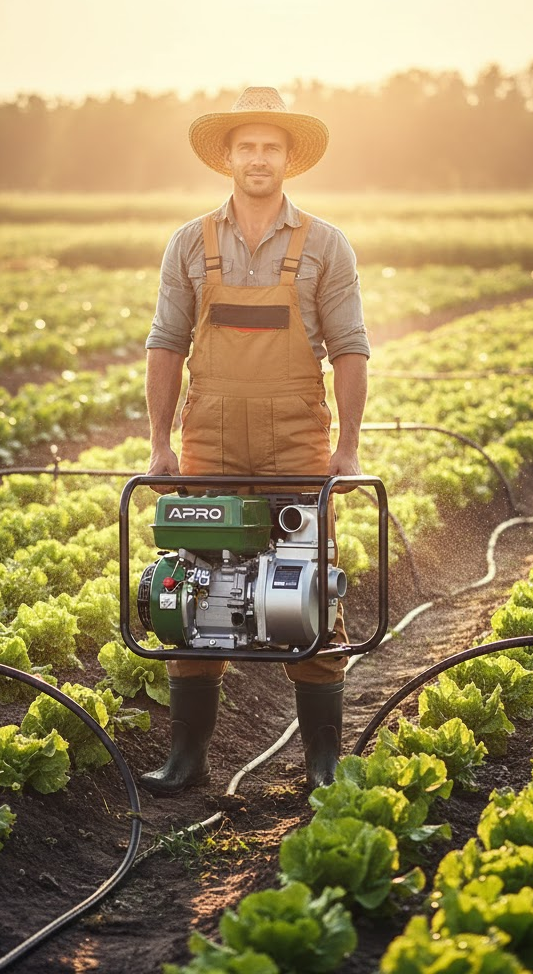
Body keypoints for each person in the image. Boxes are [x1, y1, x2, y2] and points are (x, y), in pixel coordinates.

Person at [141, 86, 370, 795]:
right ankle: (187, 760)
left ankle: (322, 764)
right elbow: (165, 344)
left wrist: (348, 448)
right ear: (229, 158)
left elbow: (350, 349)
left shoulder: (326, 244)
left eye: (272, 147)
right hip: (208, 438)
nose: (260, 158)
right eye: (248, 147)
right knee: (194, 584)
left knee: (307, 591)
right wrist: (159, 443)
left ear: (289, 159)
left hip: (295, 439)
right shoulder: (189, 243)